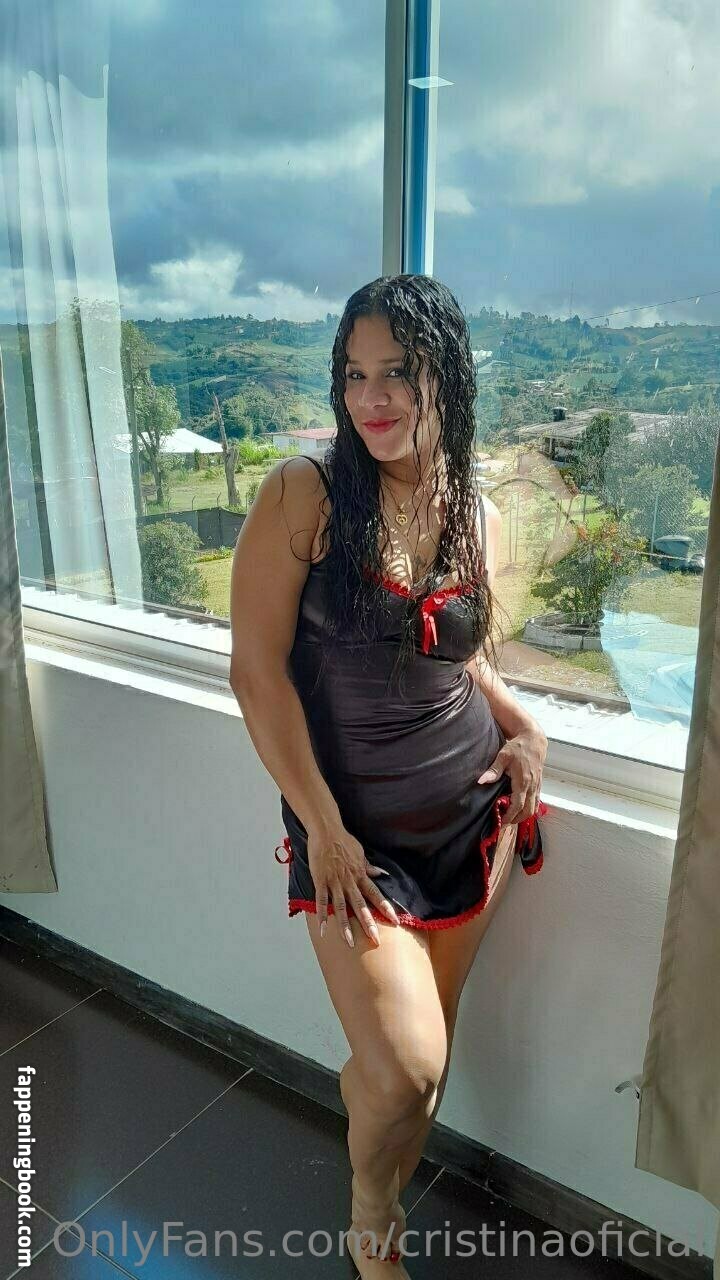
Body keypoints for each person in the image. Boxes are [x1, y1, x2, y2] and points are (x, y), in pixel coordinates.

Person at [229, 274, 547, 1274]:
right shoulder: (304, 493)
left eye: (398, 373)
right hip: (354, 839)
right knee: (405, 1068)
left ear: (446, 376)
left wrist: (523, 725)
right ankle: (373, 1220)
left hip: (471, 814)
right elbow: (256, 672)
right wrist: (320, 827)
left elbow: (459, 654)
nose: (371, 397)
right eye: (355, 373)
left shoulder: (473, 509)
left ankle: (375, 1146)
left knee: (424, 1064)